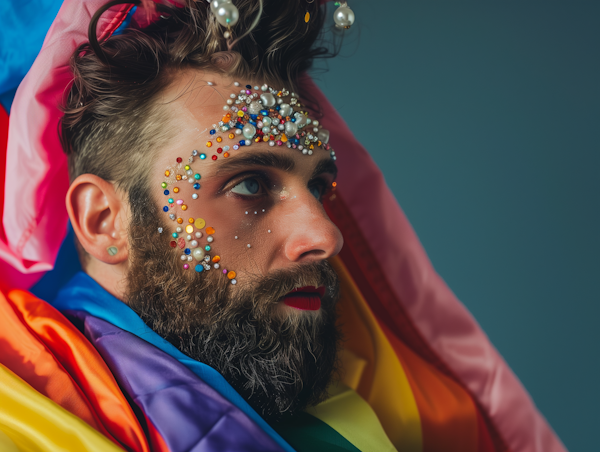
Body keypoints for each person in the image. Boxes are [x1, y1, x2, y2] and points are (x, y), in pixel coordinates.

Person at [0, 0, 565, 451]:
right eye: (249, 184)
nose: (325, 235)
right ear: (104, 221)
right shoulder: (23, 423)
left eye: (318, 186)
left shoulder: (358, 413)